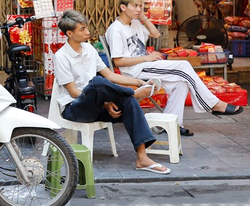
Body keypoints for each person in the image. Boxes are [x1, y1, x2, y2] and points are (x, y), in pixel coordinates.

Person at [104, 0, 243, 138]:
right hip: (134, 70)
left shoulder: (136, 23)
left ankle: (172, 123)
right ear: (123, 7)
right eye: (135, 6)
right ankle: (212, 104)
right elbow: (118, 61)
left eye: (140, 6)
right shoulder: (115, 29)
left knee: (181, 83)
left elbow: (155, 34)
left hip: (146, 65)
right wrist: (147, 57)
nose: (139, 9)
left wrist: (143, 17)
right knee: (183, 66)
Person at [54, 9, 170, 175]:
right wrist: (106, 101)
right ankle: (132, 93)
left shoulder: (89, 50)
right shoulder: (61, 56)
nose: (87, 32)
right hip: (76, 109)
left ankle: (142, 158)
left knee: (127, 102)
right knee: (97, 83)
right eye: (82, 29)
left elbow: (110, 75)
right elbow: (73, 92)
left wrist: (139, 82)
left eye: (86, 28)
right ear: (69, 33)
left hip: (97, 105)